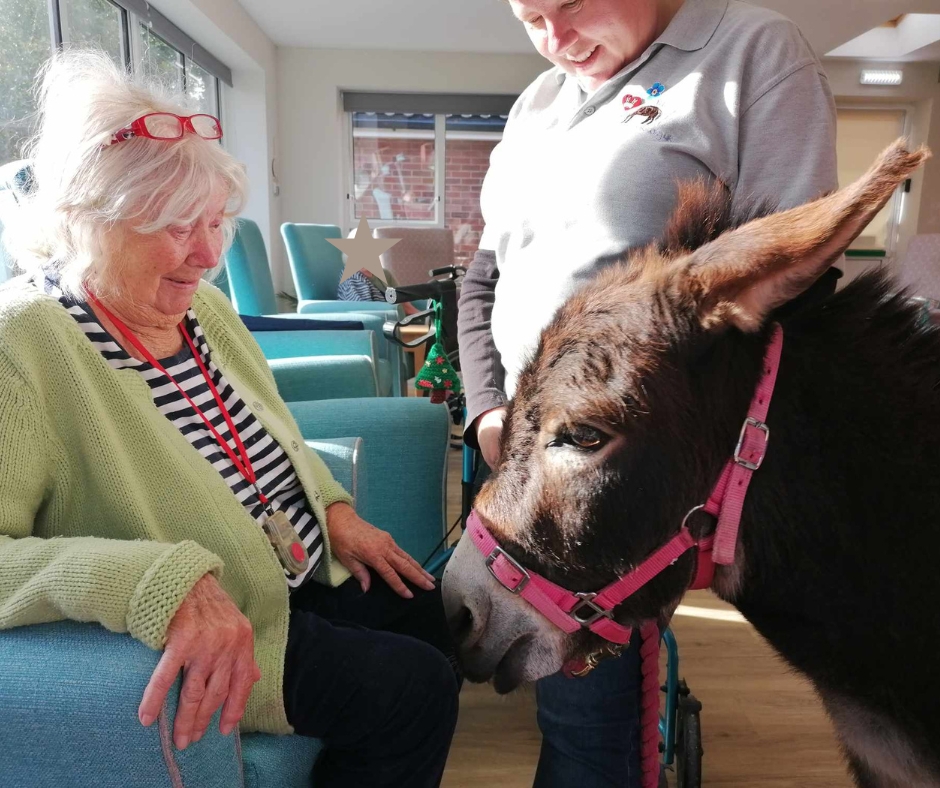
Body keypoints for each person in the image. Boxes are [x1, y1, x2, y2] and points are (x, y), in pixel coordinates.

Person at [0, 50, 457, 788]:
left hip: (298, 565)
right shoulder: (22, 343)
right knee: (413, 691)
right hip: (243, 612)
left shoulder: (201, 307)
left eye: (217, 223)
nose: (209, 255)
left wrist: (334, 509)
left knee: (434, 618)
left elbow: (269, 433)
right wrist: (155, 578)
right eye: (179, 226)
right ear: (88, 218)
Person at [458, 0, 838, 784]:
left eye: (570, 5)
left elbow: (789, 289)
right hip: (525, 450)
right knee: (513, 657)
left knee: (586, 718)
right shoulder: (535, 104)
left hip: (617, 460)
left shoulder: (750, 53)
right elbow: (483, 279)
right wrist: (490, 411)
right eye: (530, 17)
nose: (554, 39)